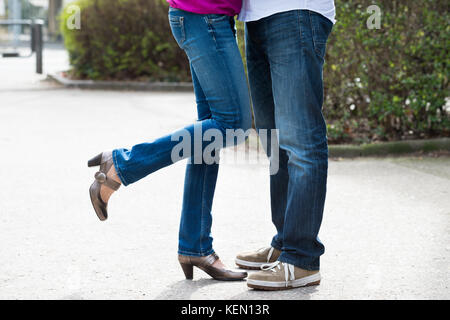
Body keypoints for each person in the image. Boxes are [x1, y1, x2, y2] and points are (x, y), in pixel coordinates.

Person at [88, 0, 252, 281]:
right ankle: (121, 163)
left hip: (206, 16)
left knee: (208, 136)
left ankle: (195, 246)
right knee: (232, 123)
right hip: (205, 16)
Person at [235, 0, 336, 290]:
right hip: (256, 17)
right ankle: (285, 242)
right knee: (275, 141)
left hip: (296, 12)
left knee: (301, 141)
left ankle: (302, 257)